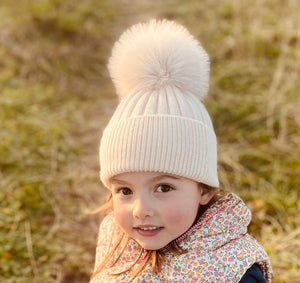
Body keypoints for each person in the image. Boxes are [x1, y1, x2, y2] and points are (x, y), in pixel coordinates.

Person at [90, 19, 272, 282]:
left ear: (204, 189)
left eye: (163, 187)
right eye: (125, 191)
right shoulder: (115, 241)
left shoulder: (232, 270)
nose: (141, 210)